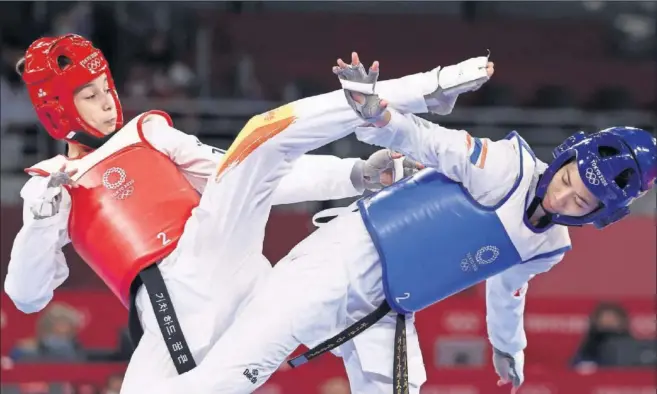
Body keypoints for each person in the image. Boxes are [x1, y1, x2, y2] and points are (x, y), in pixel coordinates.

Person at [147, 54, 656, 394]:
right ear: (565, 155)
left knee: (402, 385)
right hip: (341, 261)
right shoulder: (506, 167)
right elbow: (429, 141)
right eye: (568, 177)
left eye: (582, 200)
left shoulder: (550, 247)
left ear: (601, 216)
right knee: (237, 373)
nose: (564, 194)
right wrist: (375, 113)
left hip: (387, 307)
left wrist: (508, 347)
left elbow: (507, 292)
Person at [4, 36, 488, 392]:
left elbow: (245, 173)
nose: (107, 103)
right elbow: (26, 298)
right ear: (58, 111)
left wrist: (354, 176)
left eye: (105, 88)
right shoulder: (45, 187)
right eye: (88, 96)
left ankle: (418, 92)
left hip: (215, 245)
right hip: (173, 310)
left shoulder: (149, 133)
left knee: (258, 142)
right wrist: (42, 219)